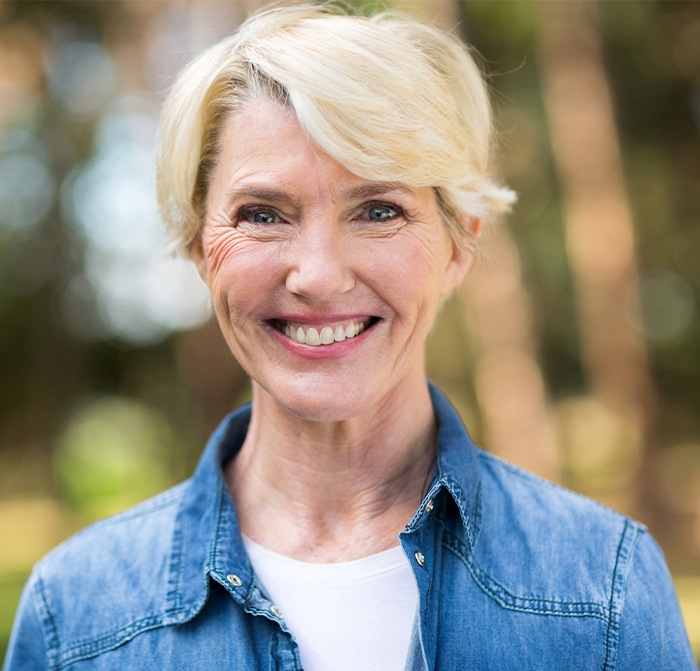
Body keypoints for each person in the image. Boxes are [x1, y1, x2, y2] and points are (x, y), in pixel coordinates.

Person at [4, 4, 696, 670]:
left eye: (378, 209)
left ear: (458, 246)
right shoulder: (76, 616)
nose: (319, 275)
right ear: (198, 248)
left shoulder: (604, 589)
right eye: (264, 214)